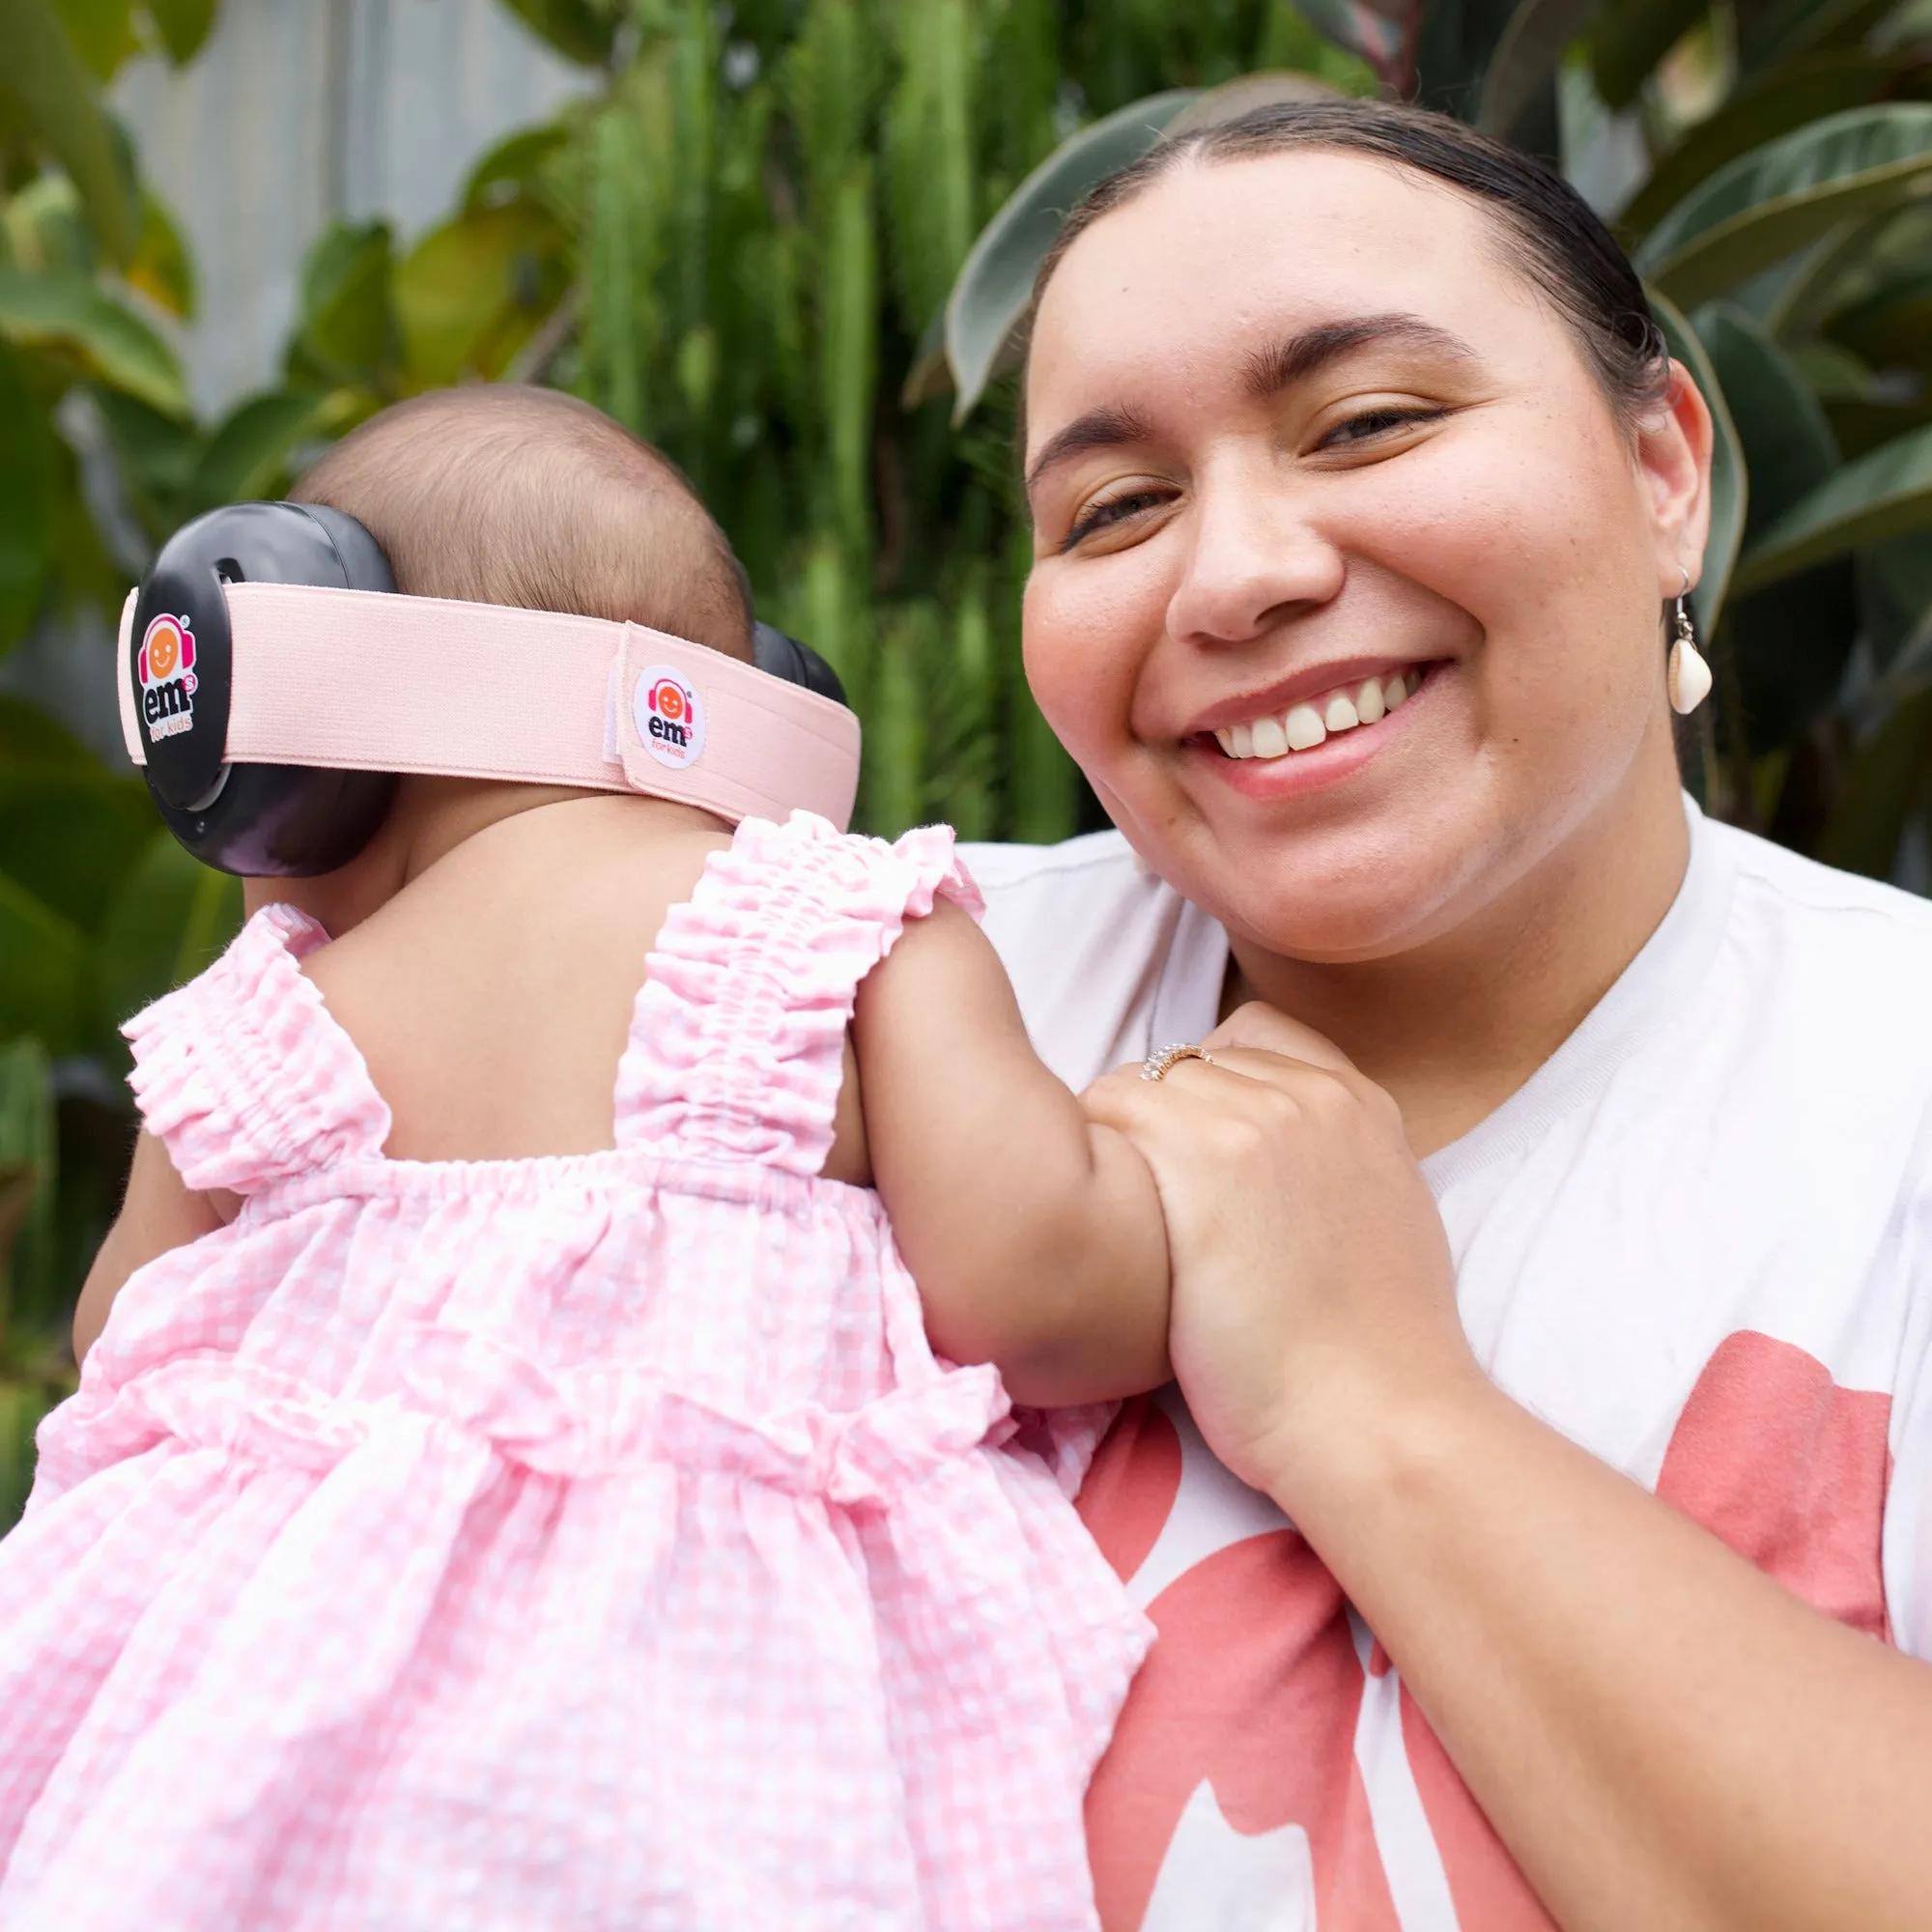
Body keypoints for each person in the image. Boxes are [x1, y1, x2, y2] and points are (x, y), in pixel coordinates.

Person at [0, 386, 1162, 1931]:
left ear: (270, 721)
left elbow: (120, 1367)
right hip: (719, 1800)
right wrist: (1175, 1148)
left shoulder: (259, 1026)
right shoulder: (837, 933)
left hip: (234, 1820)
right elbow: (1036, 1294)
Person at [972, 99, 1932, 1931]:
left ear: (1665, 473)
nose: (1237, 571)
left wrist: (1369, 1396)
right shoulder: (878, 1007)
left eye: (1371, 423)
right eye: (1115, 507)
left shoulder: (1893, 1111)